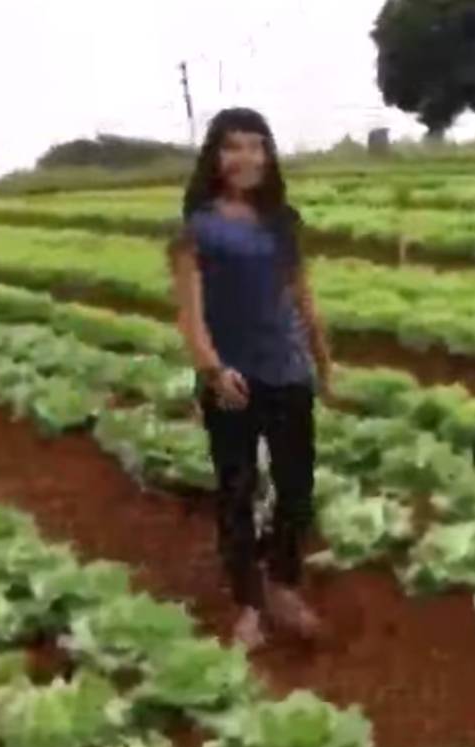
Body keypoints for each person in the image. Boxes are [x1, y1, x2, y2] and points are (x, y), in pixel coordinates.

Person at [166, 107, 333, 651]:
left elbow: (302, 299)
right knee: (236, 493)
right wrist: (213, 370)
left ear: (268, 155)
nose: (245, 158)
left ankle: (283, 583)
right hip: (231, 379)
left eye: (256, 146)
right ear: (215, 156)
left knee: (297, 489)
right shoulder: (196, 230)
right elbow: (190, 316)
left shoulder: (283, 223)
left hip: (288, 372)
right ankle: (249, 606)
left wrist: (324, 365)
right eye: (233, 146)